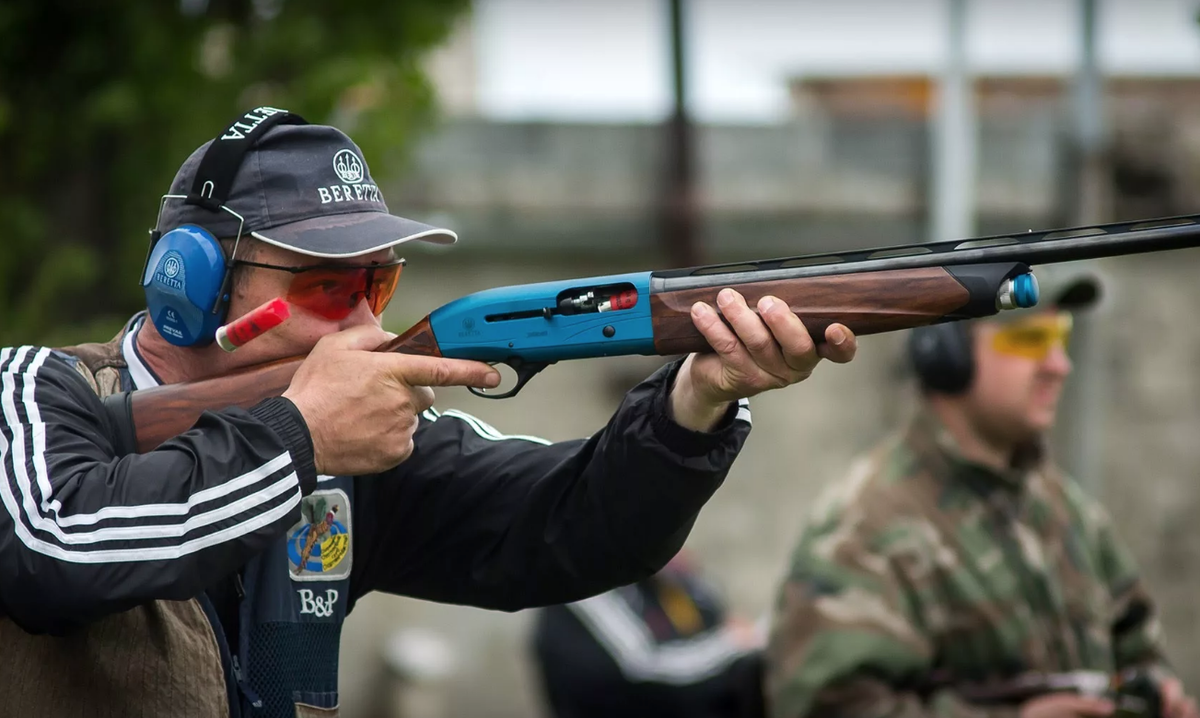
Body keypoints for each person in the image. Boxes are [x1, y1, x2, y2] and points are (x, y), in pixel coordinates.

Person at [0, 107, 858, 717]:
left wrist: (696, 401)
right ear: (185, 286)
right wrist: (300, 435)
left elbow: (575, 528)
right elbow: (56, 546)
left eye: (379, 282)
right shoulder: (35, 393)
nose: (367, 324)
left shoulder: (361, 451)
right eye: (329, 285)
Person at [762, 265, 1199, 718]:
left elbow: (1138, 648)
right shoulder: (864, 526)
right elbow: (824, 706)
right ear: (947, 357)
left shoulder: (1067, 509)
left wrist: (1154, 697)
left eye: (1062, 338)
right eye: (1030, 340)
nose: (1058, 365)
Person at [530, 549, 767, 718]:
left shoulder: (663, 570)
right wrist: (740, 643)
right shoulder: (580, 587)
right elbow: (647, 665)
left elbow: (717, 619)